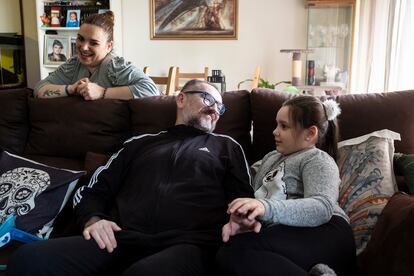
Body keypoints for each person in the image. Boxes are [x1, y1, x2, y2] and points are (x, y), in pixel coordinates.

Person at [7, 79, 254, 276]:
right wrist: (93, 219)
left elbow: (243, 198)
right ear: (181, 98)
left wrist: (241, 220)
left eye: (221, 107)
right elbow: (95, 188)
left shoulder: (227, 147)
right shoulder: (139, 143)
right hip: (119, 238)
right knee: (29, 259)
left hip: (188, 244)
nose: (215, 109)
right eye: (208, 98)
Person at [215, 96, 356, 276]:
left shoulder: (317, 159)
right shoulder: (270, 158)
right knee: (229, 250)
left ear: (310, 134)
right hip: (285, 236)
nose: (275, 131)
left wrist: (265, 207)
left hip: (327, 233)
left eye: (284, 126)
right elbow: (245, 182)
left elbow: (322, 207)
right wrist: (245, 218)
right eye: (276, 125)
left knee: (236, 252)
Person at [35, 11, 158, 100]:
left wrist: (102, 92)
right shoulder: (73, 65)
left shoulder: (115, 66)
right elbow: (39, 89)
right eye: (80, 39)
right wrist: (70, 89)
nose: (83, 47)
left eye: (93, 43)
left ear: (109, 46)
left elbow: (151, 90)